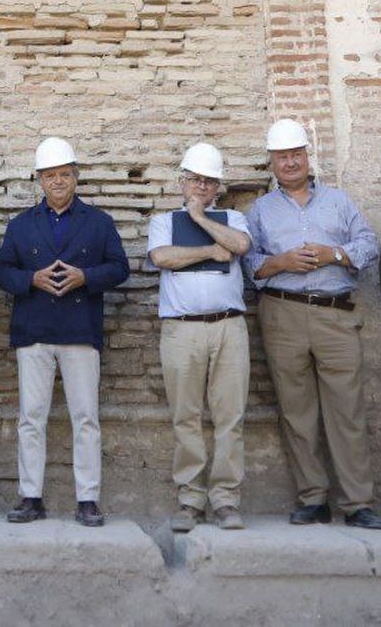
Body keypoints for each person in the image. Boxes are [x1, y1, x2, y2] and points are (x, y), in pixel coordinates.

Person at [243, 118, 381, 529]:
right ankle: (313, 498)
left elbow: (367, 244)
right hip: (282, 313)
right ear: (271, 163)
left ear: (307, 156)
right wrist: (280, 263)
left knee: (347, 410)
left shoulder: (340, 202)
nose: (289, 162)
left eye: (295, 154)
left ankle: (358, 503)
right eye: (281, 157)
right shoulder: (261, 210)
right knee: (296, 410)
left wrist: (334, 255)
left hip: (335, 314)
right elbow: (248, 262)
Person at [0, 137, 129, 527]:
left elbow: (120, 268)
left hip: (80, 329)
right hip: (33, 330)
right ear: (39, 179)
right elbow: (0, 271)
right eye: (50, 175)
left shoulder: (99, 222)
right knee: (31, 417)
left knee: (86, 417)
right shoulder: (21, 225)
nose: (57, 181)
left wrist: (85, 276)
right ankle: (30, 496)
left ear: (76, 177)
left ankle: (88, 499)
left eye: (64, 174)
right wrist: (30, 279)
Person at [145, 142, 253, 532]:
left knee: (230, 415)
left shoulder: (233, 219)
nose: (201, 187)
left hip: (229, 327)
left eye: (209, 182)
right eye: (195, 180)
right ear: (182, 181)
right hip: (181, 328)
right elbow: (162, 258)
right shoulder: (163, 221)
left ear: (218, 187)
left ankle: (225, 500)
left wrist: (202, 219)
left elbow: (240, 246)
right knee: (185, 416)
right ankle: (190, 500)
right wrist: (210, 248)